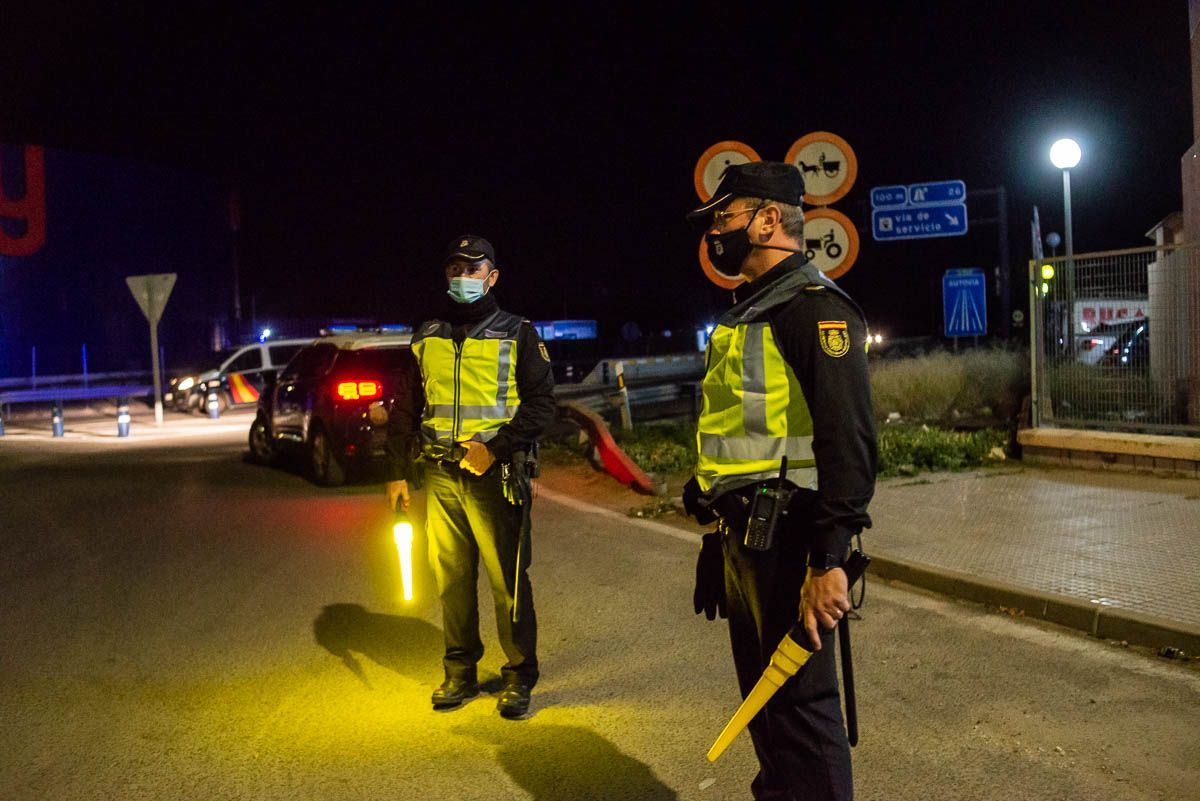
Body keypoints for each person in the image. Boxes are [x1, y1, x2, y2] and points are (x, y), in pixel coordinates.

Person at [682, 162, 876, 801]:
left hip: (792, 539)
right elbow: (743, 432)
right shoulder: (750, 313)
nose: (714, 232)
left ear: (768, 220)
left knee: (799, 705)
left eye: (724, 217)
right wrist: (715, 516)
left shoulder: (812, 310)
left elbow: (849, 443)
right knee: (764, 703)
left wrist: (830, 560)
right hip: (747, 537)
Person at [385, 234, 555, 718]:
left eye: (473, 269)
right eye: (455, 269)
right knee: (452, 581)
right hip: (441, 475)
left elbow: (543, 406)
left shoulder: (518, 333)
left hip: (495, 476)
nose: (462, 277)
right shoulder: (426, 335)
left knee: (508, 582)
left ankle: (519, 675)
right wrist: (396, 472)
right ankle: (459, 671)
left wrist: (495, 449)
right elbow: (406, 407)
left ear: (492, 277)